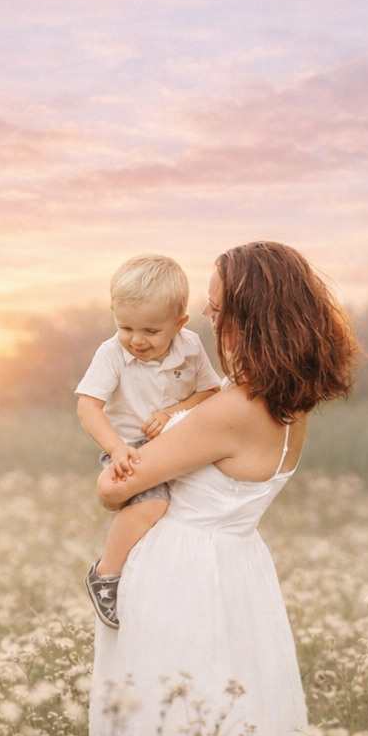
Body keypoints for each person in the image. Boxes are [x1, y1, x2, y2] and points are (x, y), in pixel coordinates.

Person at [87, 241, 359, 736]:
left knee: (173, 711)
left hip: (181, 576)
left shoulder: (231, 410)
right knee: (233, 702)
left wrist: (128, 449)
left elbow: (116, 489)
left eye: (217, 309)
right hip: (238, 568)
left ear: (250, 319)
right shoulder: (292, 404)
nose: (210, 320)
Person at [75, 254, 221, 629]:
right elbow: (88, 406)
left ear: (179, 323)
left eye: (151, 332)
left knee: (189, 511)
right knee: (150, 504)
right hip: (130, 446)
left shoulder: (190, 347)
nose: (136, 341)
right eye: (125, 327)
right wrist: (116, 449)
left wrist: (174, 412)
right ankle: (106, 574)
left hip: (178, 440)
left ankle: (170, 589)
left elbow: (210, 391)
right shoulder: (111, 353)